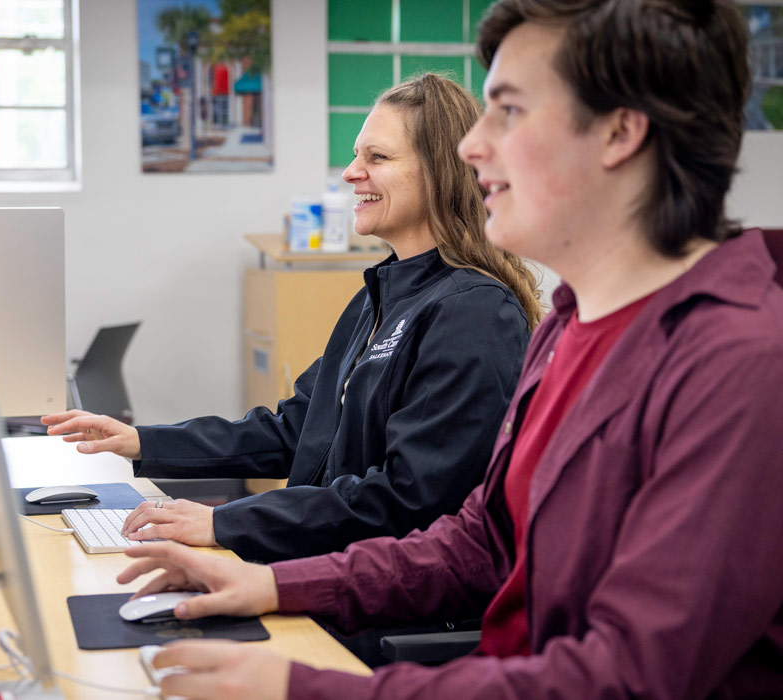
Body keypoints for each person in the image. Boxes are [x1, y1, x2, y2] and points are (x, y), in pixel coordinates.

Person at [112, 1, 783, 697]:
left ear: (620, 132)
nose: (470, 147)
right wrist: (272, 583)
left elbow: (627, 678)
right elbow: (482, 544)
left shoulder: (739, 366)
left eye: (510, 111)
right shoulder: (569, 327)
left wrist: (308, 687)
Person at [43, 74, 542, 563]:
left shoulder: (473, 312)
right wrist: (141, 442)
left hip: (378, 592)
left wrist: (226, 521)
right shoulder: (377, 298)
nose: (351, 173)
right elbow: (295, 429)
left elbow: (409, 499)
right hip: (319, 565)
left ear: (441, 171)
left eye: (377, 157)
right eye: (356, 155)